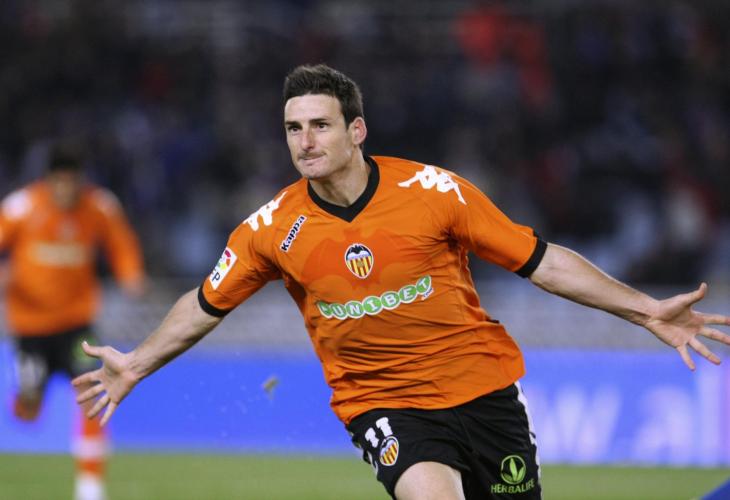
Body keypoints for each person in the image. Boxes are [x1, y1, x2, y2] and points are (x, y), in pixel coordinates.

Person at [73, 65, 730, 500]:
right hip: (384, 403)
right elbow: (204, 304)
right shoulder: (269, 230)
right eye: (294, 128)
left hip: (483, 389)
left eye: (321, 125)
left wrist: (646, 310)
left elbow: (543, 262)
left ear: (356, 130)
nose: (305, 141)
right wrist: (137, 363)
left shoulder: (433, 192)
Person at [0, 146, 146, 500]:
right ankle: (25, 397)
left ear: (80, 180)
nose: (66, 189)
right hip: (30, 325)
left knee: (91, 394)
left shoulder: (99, 206)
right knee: (29, 408)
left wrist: (131, 274)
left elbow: (121, 243)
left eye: (72, 182)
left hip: (77, 324)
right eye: (60, 182)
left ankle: (90, 488)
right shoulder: (22, 207)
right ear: (48, 180)